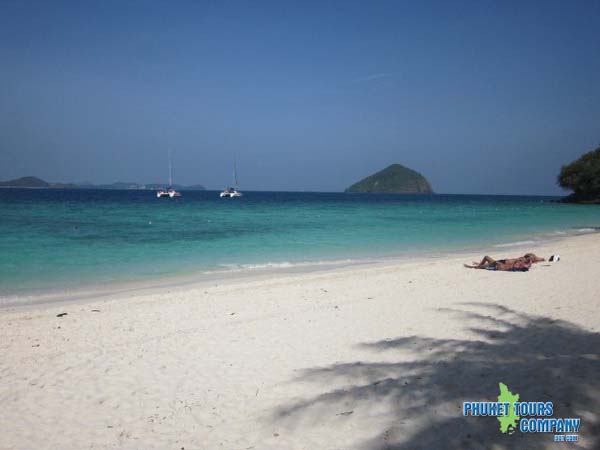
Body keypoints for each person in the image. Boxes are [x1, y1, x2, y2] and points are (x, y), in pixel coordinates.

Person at [464, 253, 545, 272]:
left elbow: (517, 266)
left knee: (486, 258)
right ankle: (478, 265)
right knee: (486, 263)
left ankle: (473, 266)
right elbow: (527, 266)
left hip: (500, 265)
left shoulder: (521, 262)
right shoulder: (524, 262)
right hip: (501, 264)